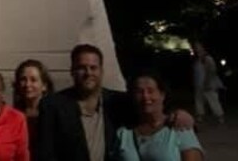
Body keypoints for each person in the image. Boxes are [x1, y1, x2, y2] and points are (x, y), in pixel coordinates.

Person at [38, 44, 194, 161]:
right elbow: (46, 154)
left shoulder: (118, 101)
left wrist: (178, 113)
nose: (88, 73)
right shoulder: (52, 105)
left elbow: (150, 106)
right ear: (72, 70)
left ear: (101, 70)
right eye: (81, 68)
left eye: (93, 67)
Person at [114, 72, 203, 161]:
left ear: (162, 95)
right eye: (139, 92)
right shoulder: (124, 134)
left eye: (150, 91)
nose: (145, 96)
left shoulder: (179, 126)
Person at [13, 59, 54, 161]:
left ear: (44, 86)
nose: (27, 84)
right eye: (23, 79)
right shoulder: (13, 115)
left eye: (33, 80)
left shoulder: (54, 115)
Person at [190, 41, 225, 124]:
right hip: (199, 83)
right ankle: (200, 116)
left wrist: (207, 82)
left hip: (208, 83)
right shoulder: (197, 59)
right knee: (199, 100)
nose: (197, 48)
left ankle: (220, 116)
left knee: (212, 100)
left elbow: (211, 71)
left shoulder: (207, 58)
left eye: (198, 46)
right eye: (195, 47)